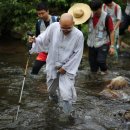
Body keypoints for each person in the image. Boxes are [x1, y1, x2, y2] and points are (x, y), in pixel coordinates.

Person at [29, 13, 84, 119]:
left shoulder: (78, 35)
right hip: (53, 63)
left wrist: (66, 68)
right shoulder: (54, 27)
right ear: (59, 23)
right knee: (51, 91)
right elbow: (43, 39)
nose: (65, 30)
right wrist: (35, 40)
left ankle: (69, 116)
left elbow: (78, 55)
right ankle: (53, 107)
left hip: (68, 68)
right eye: (63, 28)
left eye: (68, 28)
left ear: (73, 23)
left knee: (67, 95)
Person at [87, 0, 115, 74]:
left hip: (103, 43)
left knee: (101, 61)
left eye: (96, 10)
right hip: (91, 44)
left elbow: (111, 31)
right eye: (93, 10)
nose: (94, 12)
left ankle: (106, 74)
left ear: (101, 7)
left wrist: (112, 46)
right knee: (93, 67)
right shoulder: (88, 16)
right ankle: (96, 82)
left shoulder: (107, 17)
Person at [31, 2, 58, 75]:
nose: (41, 15)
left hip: (57, 52)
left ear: (47, 11)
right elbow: (38, 37)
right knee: (35, 69)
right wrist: (33, 39)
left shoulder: (57, 20)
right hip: (44, 50)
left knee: (55, 72)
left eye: (42, 13)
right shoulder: (38, 23)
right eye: (39, 14)